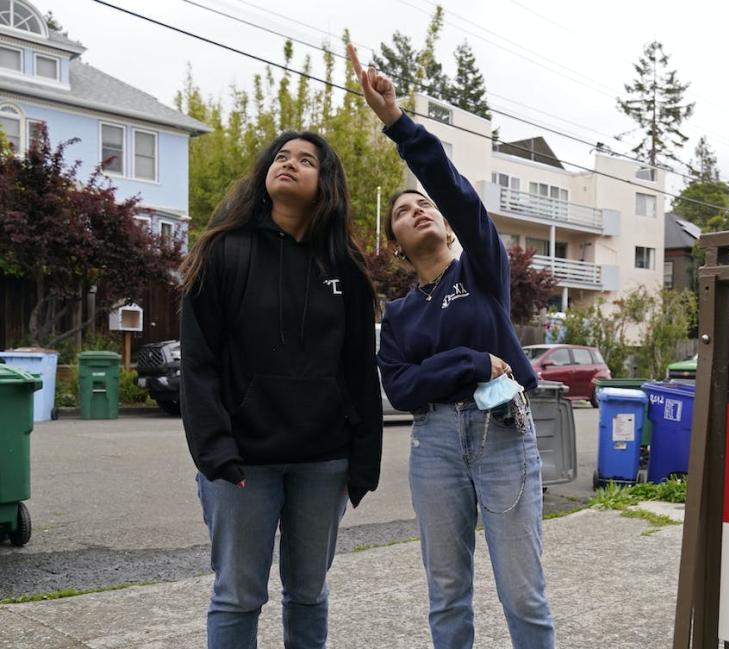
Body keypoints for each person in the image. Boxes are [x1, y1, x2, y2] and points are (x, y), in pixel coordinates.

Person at [348, 44, 555, 649]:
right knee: (446, 594)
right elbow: (400, 386)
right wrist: (468, 362)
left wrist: (396, 123)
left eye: (423, 204)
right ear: (395, 239)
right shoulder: (401, 312)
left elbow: (456, 191)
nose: (418, 210)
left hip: (502, 437)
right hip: (434, 445)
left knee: (523, 592)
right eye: (403, 211)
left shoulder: (481, 271)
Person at [178, 130, 383, 649]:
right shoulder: (224, 251)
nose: (290, 164)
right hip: (244, 464)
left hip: (324, 462)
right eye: (282, 157)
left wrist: (363, 462)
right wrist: (215, 451)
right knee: (238, 596)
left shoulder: (346, 269)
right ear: (266, 173)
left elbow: (360, 369)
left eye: (306, 160)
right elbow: (198, 362)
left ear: (325, 183)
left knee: (309, 594)